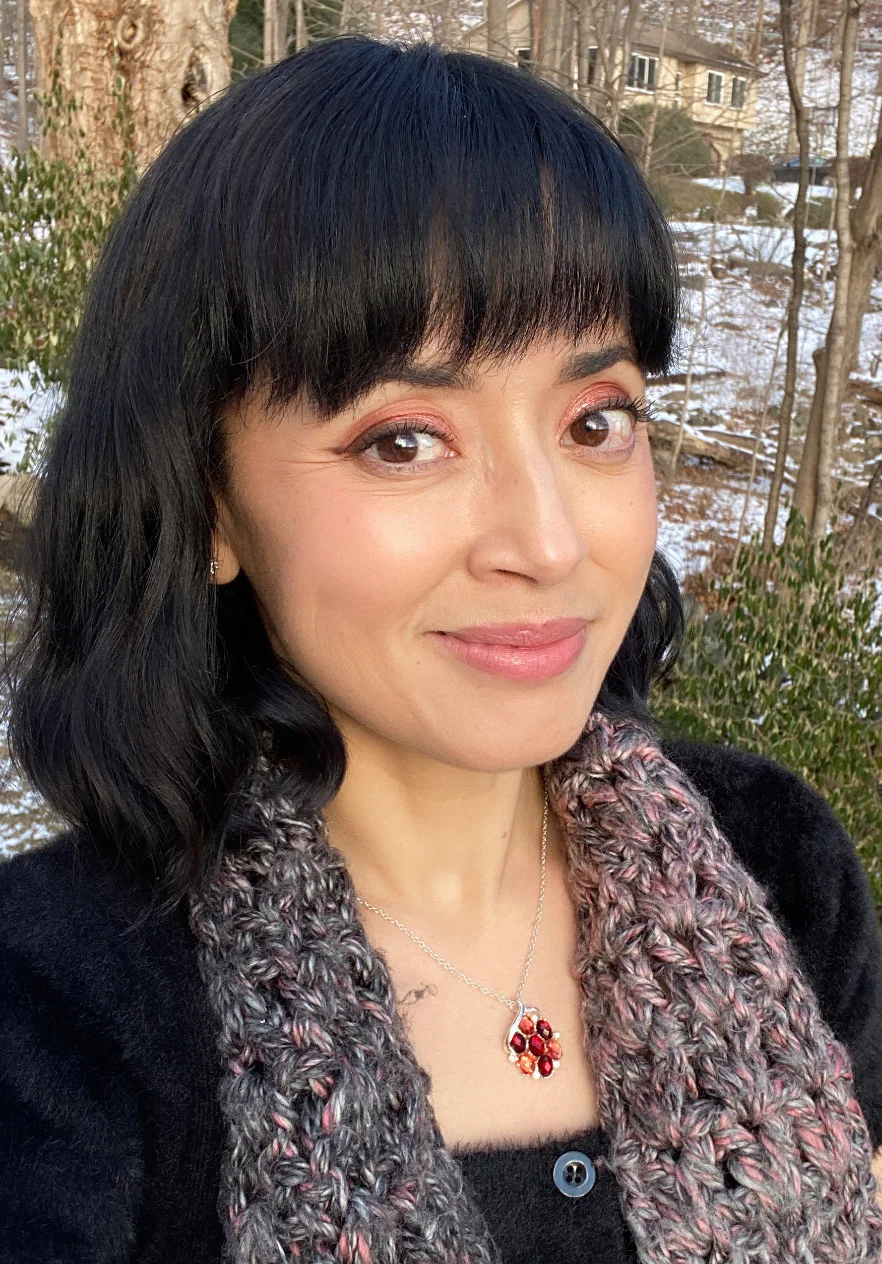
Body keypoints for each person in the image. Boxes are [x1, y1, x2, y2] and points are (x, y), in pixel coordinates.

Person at [0, 35, 881, 1264]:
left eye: (594, 419)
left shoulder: (778, 864)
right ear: (205, 504)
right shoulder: (53, 1014)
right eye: (404, 440)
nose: (548, 539)